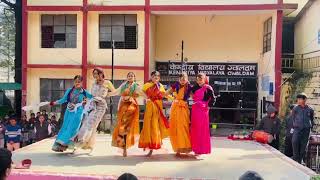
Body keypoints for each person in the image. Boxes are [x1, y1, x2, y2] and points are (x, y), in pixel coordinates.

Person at [74, 68, 115, 151]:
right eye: (94, 74)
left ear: (101, 74)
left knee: (93, 124)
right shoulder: (94, 83)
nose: (94, 75)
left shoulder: (107, 82)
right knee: (87, 122)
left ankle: (85, 143)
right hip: (92, 105)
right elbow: (92, 95)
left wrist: (105, 95)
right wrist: (87, 100)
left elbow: (114, 92)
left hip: (101, 106)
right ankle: (85, 143)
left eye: (96, 73)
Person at [51, 75, 92, 152]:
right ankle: (60, 145)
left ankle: (67, 144)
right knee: (65, 127)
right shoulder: (70, 90)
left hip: (78, 112)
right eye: (76, 82)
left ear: (82, 82)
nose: (77, 83)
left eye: (79, 82)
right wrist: (54, 102)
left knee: (73, 127)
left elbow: (92, 97)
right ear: (74, 82)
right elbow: (63, 100)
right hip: (69, 111)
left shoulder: (84, 92)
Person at [110, 72, 142, 157]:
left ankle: (125, 148)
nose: (130, 77)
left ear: (134, 77)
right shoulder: (123, 85)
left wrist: (150, 98)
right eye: (129, 76)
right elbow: (116, 92)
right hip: (123, 108)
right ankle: (123, 148)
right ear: (127, 77)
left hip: (132, 108)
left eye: (132, 76)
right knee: (122, 128)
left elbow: (142, 94)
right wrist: (107, 94)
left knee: (127, 129)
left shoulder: (136, 86)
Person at [138, 71, 169, 157]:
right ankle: (149, 145)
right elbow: (141, 92)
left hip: (158, 107)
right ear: (151, 77)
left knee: (157, 125)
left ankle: (156, 143)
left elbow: (164, 94)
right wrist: (146, 98)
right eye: (154, 76)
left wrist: (173, 97)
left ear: (159, 78)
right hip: (150, 106)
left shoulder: (160, 86)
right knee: (149, 125)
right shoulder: (147, 85)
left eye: (157, 76)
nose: (155, 77)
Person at [166, 72, 192, 157]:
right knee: (175, 127)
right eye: (181, 79)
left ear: (187, 79)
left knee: (184, 127)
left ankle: (186, 147)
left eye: (184, 79)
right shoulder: (176, 85)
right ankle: (177, 149)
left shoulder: (189, 87)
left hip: (183, 108)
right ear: (179, 79)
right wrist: (173, 99)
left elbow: (195, 96)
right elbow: (166, 93)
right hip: (175, 108)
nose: (183, 81)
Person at [190, 73, 215, 155]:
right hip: (195, 110)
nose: (199, 81)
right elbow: (189, 94)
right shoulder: (194, 87)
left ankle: (203, 149)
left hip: (203, 111)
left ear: (204, 79)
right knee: (195, 128)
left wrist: (208, 106)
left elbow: (213, 99)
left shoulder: (208, 88)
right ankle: (196, 149)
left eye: (200, 79)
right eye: (197, 79)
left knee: (202, 129)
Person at [292, 93, 314, 164]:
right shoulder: (295, 108)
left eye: (300, 99)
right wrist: (296, 125)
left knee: (303, 146)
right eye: (298, 99)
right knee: (295, 142)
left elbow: (311, 119)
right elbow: (293, 118)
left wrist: (310, 127)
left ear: (304, 100)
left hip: (306, 130)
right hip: (297, 129)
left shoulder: (310, 109)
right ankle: (295, 158)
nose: (298, 100)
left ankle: (300, 160)